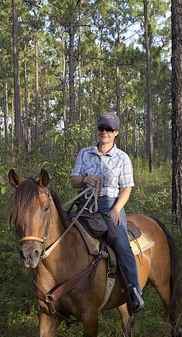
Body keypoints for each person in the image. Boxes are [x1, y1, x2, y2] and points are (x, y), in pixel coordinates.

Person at [71, 112, 144, 313]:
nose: (104, 132)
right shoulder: (84, 153)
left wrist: (116, 210)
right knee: (61, 232)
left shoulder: (122, 158)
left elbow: (127, 188)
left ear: (116, 133)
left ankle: (135, 292)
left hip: (110, 203)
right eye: (101, 128)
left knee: (122, 245)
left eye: (109, 129)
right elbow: (74, 180)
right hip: (85, 204)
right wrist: (86, 179)